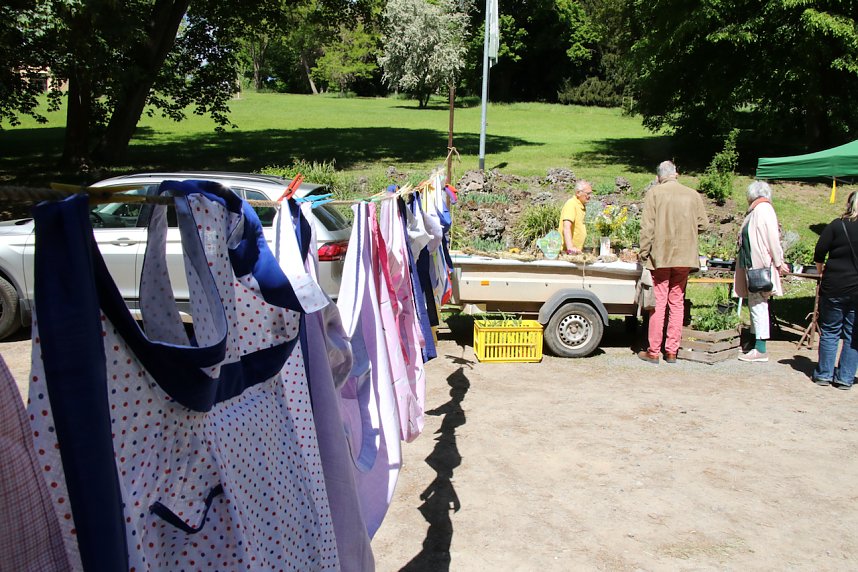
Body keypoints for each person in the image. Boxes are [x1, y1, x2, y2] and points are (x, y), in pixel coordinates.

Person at [637, 161, 708, 364]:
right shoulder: (692, 195)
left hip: (661, 255)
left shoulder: (654, 193)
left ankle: (653, 351)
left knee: (658, 302)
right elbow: (703, 224)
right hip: (684, 257)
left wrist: (643, 254)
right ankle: (671, 352)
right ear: (676, 174)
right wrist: (688, 230)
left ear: (659, 177)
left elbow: (647, 228)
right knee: (677, 302)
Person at [733, 181, 790, 363]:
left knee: (759, 305)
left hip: (759, 266)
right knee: (755, 304)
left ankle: (760, 348)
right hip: (752, 265)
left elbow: (773, 238)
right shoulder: (756, 210)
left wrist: (779, 261)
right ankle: (753, 342)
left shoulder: (764, 209)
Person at [810, 191, 858, 389]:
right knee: (853, 334)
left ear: (849, 204)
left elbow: (819, 251)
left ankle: (824, 375)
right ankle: (845, 378)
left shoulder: (837, 225)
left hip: (834, 285)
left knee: (830, 330)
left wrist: (821, 271)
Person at [558, 180, 593, 254]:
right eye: (587, 193)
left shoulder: (580, 206)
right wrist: (570, 248)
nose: (589, 196)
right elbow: (566, 227)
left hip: (576, 251)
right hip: (567, 253)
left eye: (590, 193)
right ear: (578, 193)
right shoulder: (571, 204)